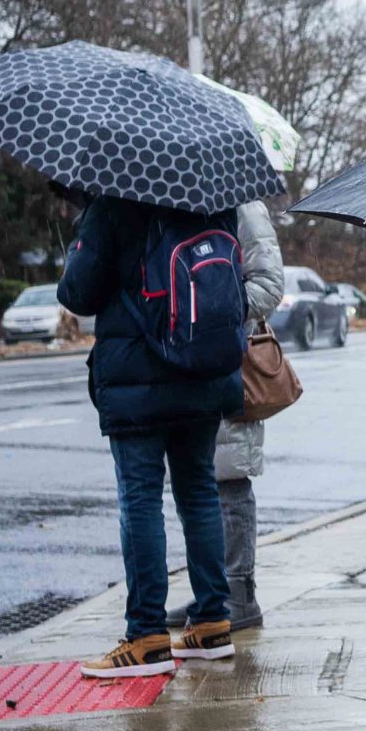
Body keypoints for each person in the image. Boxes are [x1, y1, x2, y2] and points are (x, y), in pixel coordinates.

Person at [58, 194, 244, 679]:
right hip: (203, 373)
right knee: (199, 491)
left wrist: (79, 240)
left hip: (138, 377)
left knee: (140, 496)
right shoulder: (215, 203)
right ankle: (211, 622)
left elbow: (77, 293)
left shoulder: (115, 203)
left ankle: (145, 636)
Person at [177, 198, 283, 633]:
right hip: (184, 365)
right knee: (195, 482)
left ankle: (239, 596)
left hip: (226, 360)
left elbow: (269, 285)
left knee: (229, 481)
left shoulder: (243, 206)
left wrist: (213, 306)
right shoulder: (175, 203)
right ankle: (211, 594)